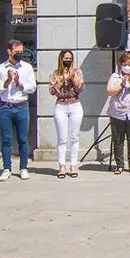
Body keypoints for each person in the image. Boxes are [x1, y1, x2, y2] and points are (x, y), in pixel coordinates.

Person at [0, 40, 37, 182]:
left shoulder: (27, 67)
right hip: (6, 106)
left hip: (22, 106)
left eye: (21, 51)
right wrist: (7, 81)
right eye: (17, 51)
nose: (19, 54)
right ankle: (7, 168)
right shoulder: (0, 68)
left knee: (23, 139)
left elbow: (32, 88)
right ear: (9, 51)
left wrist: (19, 83)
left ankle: (23, 167)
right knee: (7, 139)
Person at [49, 49, 84, 179]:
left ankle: (73, 165)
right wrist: (60, 80)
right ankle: (62, 166)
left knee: (74, 137)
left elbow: (80, 89)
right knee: (62, 138)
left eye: (70, 58)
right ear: (61, 59)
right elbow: (52, 91)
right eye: (65, 58)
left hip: (75, 104)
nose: (68, 60)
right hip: (61, 106)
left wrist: (73, 78)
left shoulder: (77, 72)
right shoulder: (55, 73)